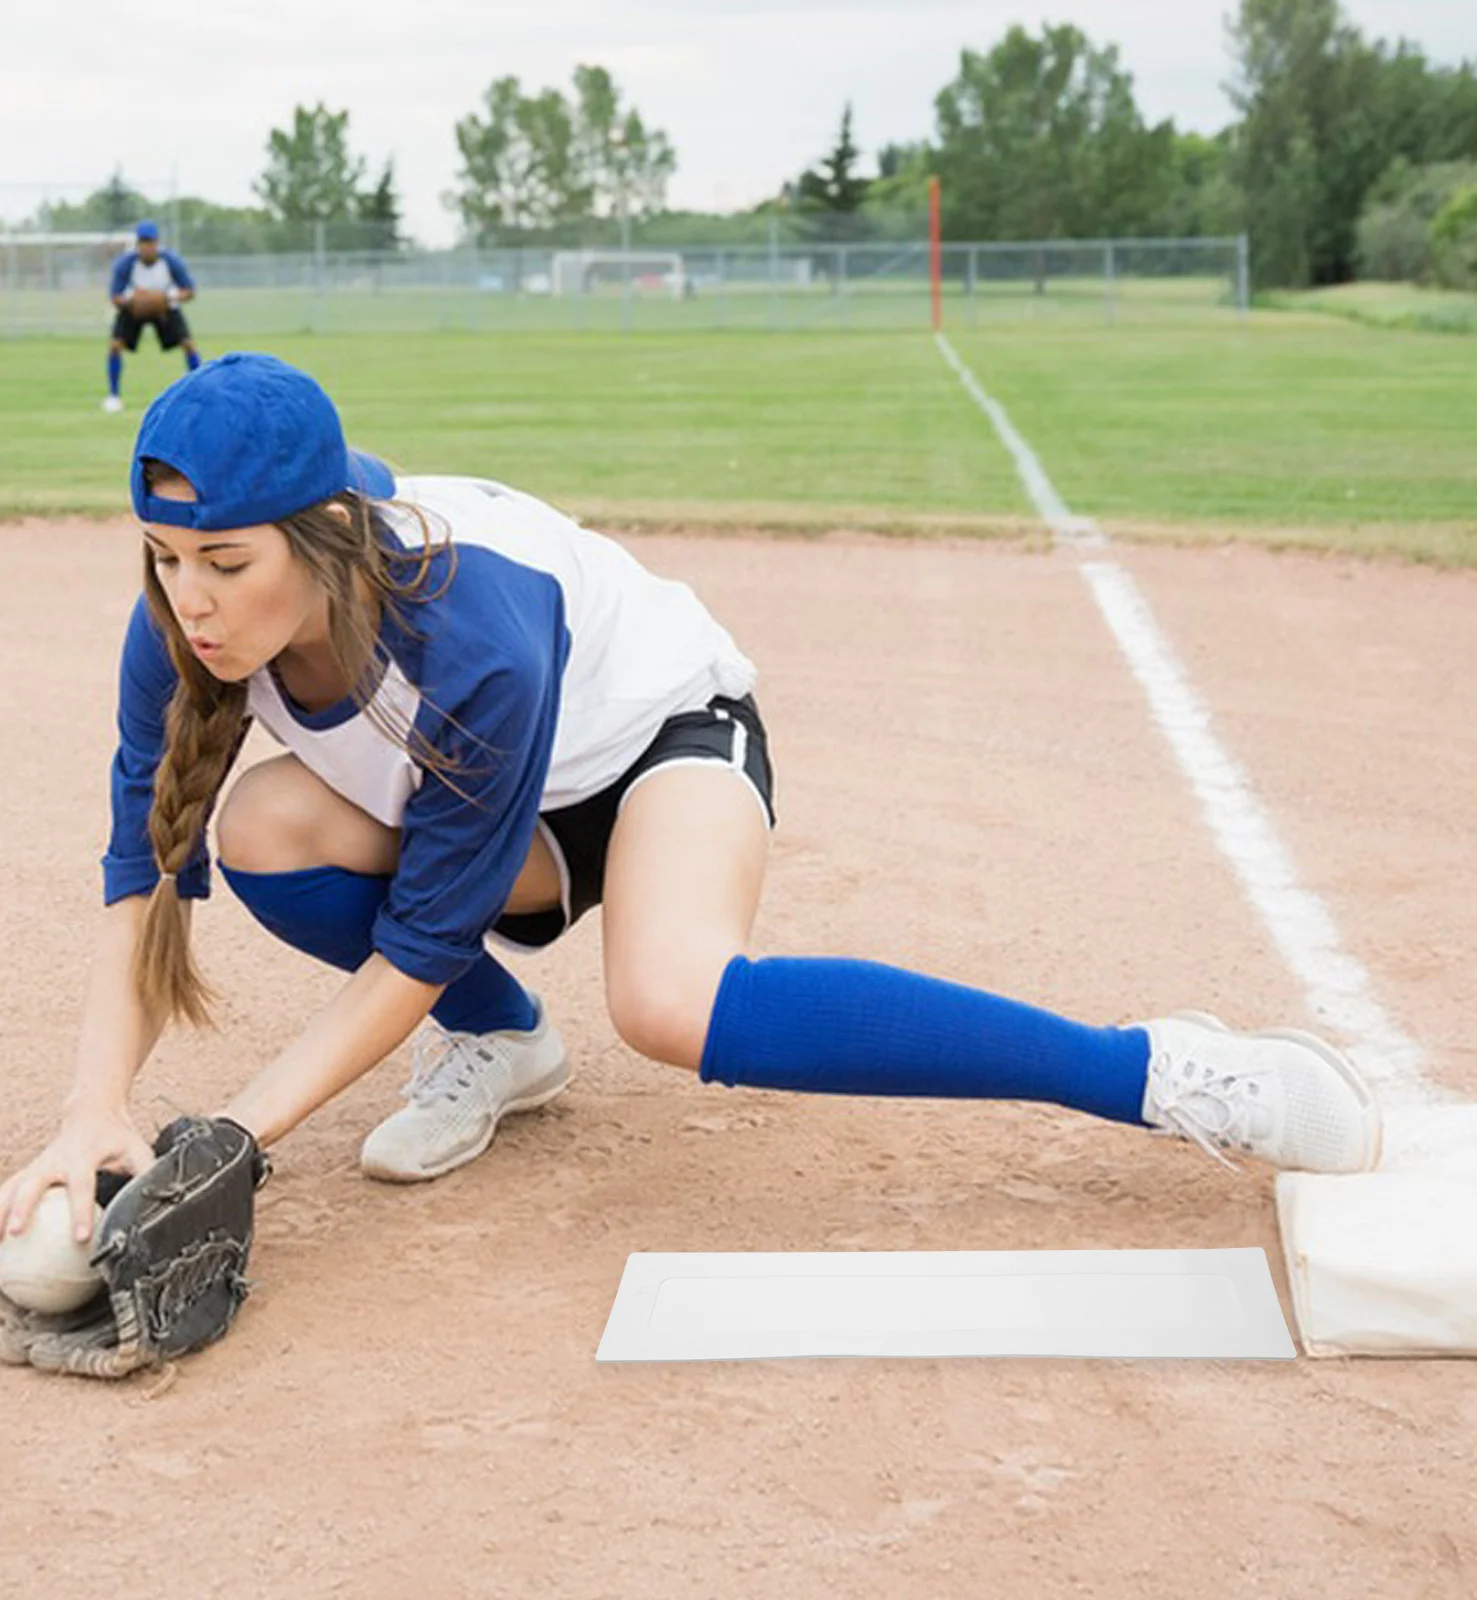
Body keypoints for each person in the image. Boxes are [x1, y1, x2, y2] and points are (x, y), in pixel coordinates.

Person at [0, 352, 1382, 1248]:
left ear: (325, 533)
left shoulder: (468, 619)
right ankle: (511, 1048)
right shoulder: (180, 630)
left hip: (659, 744)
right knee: (256, 832)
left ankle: (1161, 1071)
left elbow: (421, 943)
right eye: (167, 556)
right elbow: (143, 876)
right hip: (505, 808)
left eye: (226, 563)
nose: (191, 599)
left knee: (673, 1002)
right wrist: (93, 1111)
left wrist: (229, 1136)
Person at [102, 220, 201, 414]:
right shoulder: (126, 264)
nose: (147, 247)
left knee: (188, 344)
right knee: (115, 346)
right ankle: (114, 396)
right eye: (143, 242)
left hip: (165, 307)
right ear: (137, 244)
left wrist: (165, 297)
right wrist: (134, 301)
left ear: (157, 243)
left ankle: (198, 392)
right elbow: (115, 297)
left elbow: (189, 291)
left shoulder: (170, 261)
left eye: (151, 242)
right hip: (134, 309)